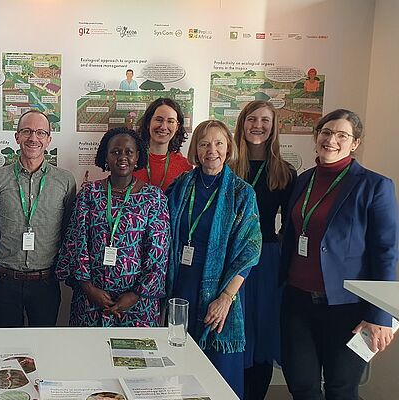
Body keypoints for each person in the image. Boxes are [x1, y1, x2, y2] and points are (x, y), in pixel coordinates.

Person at [279, 109, 398, 400]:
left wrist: (381, 315)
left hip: (348, 307)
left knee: (341, 388)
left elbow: (386, 252)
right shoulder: (302, 181)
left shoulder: (374, 186)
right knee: (301, 385)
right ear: (316, 136)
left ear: (354, 143)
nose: (332, 140)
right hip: (297, 302)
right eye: (327, 132)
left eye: (342, 135)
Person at [167, 120, 261, 398]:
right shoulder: (181, 185)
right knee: (179, 367)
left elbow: (250, 251)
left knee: (218, 375)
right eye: (205, 143)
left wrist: (226, 298)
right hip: (180, 286)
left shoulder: (242, 193)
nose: (212, 150)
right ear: (195, 148)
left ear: (228, 147)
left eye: (219, 143)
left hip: (220, 291)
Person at [56, 127, 169, 327]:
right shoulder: (90, 193)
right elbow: (76, 242)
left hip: (137, 306)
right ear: (105, 157)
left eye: (129, 152)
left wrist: (135, 294)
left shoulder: (154, 197)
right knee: (88, 355)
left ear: (137, 157)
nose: (122, 157)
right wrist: (89, 288)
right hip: (91, 302)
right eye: (115, 152)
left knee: (135, 357)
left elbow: (158, 252)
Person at [0, 109, 77, 327]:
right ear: (17, 136)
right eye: (26, 131)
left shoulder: (65, 181)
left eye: (40, 133)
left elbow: (67, 230)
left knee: (44, 347)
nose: (33, 138)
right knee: (3, 349)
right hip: (5, 281)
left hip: (45, 283)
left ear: (49, 139)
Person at [230, 100, 296, 400]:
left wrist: (279, 249)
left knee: (262, 334)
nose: (258, 125)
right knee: (234, 328)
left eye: (265, 120)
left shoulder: (284, 172)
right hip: (231, 259)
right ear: (242, 124)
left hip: (266, 260)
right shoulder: (228, 168)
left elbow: (293, 223)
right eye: (252, 119)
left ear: (274, 127)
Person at [133, 98, 193, 191]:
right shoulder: (131, 160)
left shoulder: (185, 166)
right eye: (159, 120)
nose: (163, 127)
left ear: (177, 126)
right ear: (148, 123)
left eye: (170, 121)